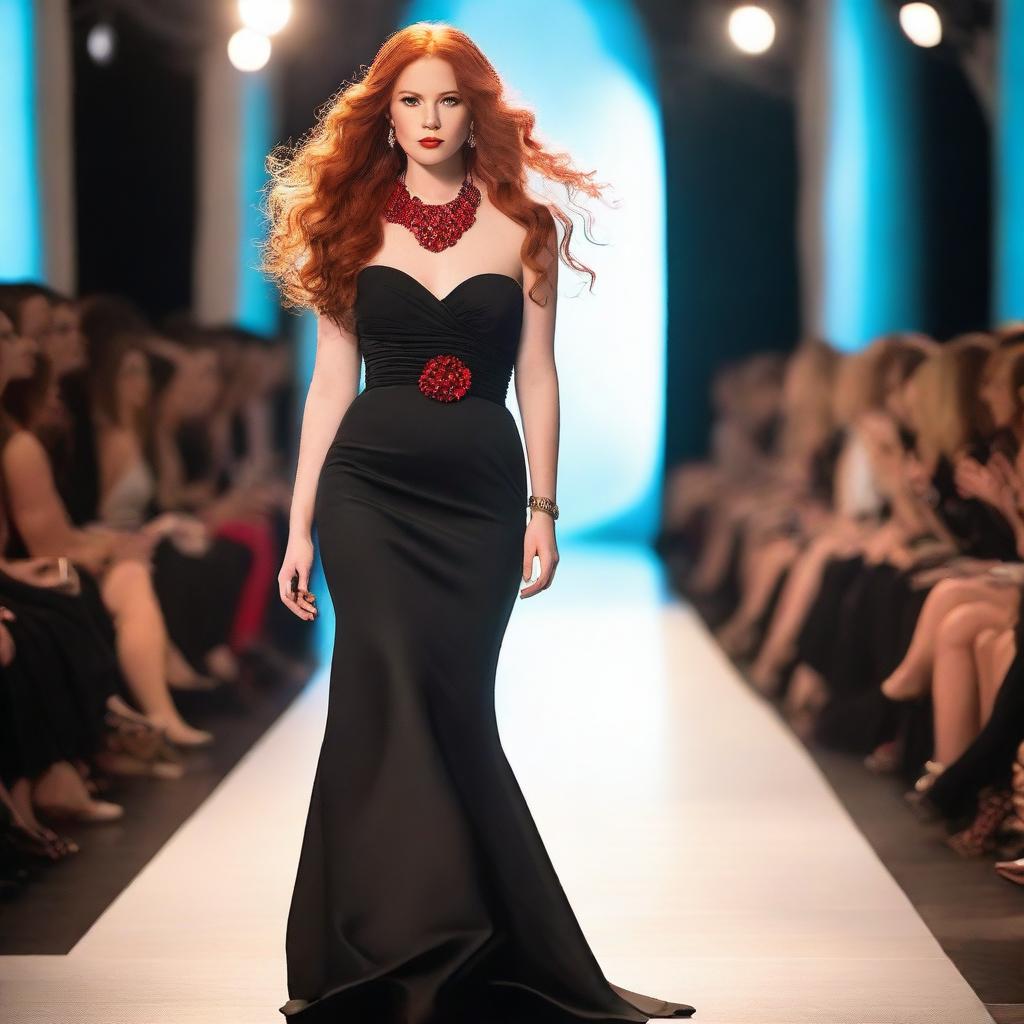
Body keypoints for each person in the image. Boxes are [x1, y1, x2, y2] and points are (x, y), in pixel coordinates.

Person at [260, 22, 696, 1024]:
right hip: (368, 490)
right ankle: (394, 937)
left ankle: (472, 934)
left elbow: (538, 376)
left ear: (475, 111)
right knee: (385, 692)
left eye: (446, 101)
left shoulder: (528, 225)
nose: (426, 119)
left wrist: (544, 505)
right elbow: (330, 388)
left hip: (480, 499)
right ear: (386, 111)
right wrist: (300, 527)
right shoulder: (350, 219)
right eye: (409, 101)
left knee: (453, 706)